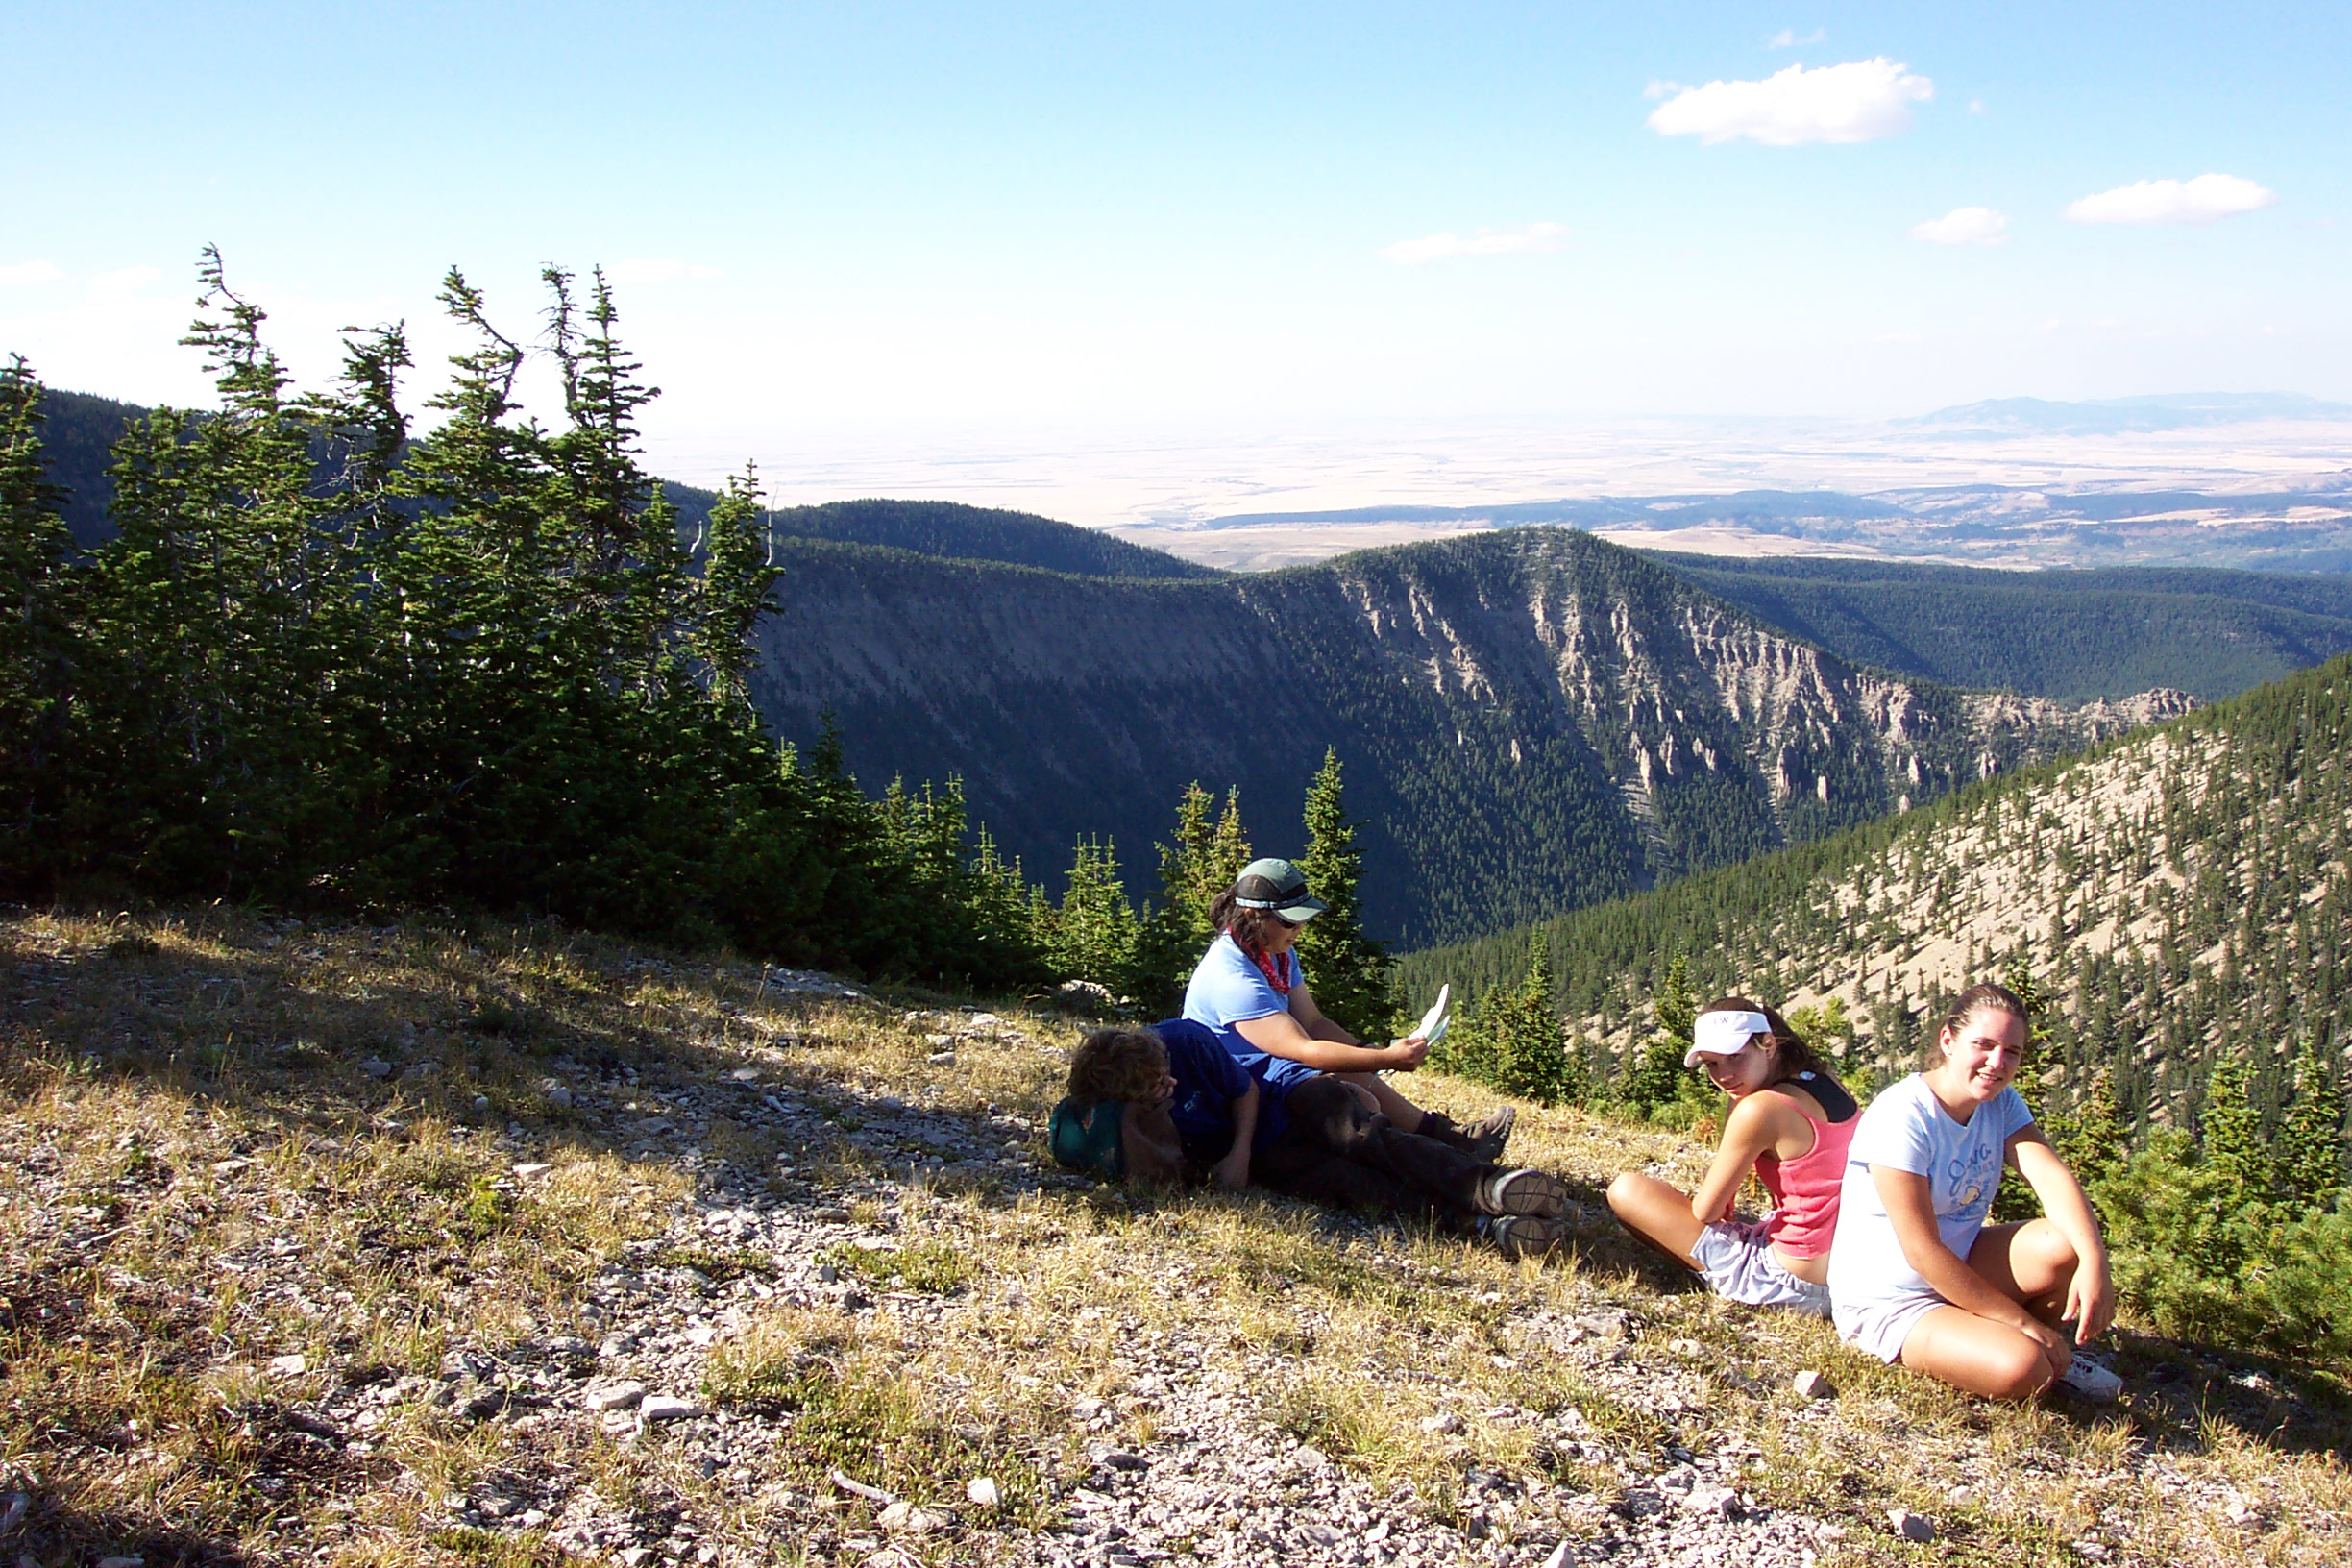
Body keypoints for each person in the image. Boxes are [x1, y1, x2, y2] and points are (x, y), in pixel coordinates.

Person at [1827, 982, 2122, 1402]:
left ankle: (2019, 1343)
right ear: (1948, 1040)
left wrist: (2096, 1261)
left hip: (1961, 1265)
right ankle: (2028, 1350)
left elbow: (2050, 1177)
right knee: (2023, 1370)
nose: (1996, 1063)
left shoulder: (1999, 1103)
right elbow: (1922, 1253)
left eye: (2012, 1052)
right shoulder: (1903, 1116)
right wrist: (2023, 1323)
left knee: (2064, 1247)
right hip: (1891, 1300)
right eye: (1983, 1045)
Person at [1051, 1021, 1572, 1257]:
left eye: (1165, 1075)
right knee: (1349, 1184)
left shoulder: (1185, 1040)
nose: (1170, 1087)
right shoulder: (1127, 1113)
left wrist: (1238, 1155)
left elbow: (1246, 1092)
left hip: (1287, 1094)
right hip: (1269, 1151)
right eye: (1155, 1091)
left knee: (1363, 1139)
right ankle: (1480, 1227)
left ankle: (1490, 1187)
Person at [1183, 857, 1514, 1162]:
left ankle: (1451, 1138)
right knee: (1351, 1101)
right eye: (1290, 922)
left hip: (1265, 1074)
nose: (1299, 930)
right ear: (1254, 916)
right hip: (1235, 1096)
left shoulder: (1275, 953)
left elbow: (1313, 1022)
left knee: (1354, 1069)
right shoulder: (1233, 979)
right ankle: (1443, 1157)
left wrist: (1368, 1051)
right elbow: (1306, 1050)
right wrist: (1386, 1059)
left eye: (1302, 920)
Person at [1605, 996, 1857, 1316]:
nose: (1724, 1075)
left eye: (1734, 1057)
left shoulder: (1760, 1109)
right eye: (1711, 1063)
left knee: (1627, 1191)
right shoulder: (1824, 1081)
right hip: (1849, 1272)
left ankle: (1720, 1281)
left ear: (1767, 1044)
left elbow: (1708, 1210)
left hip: (1794, 1283)